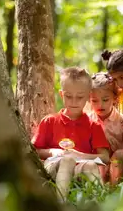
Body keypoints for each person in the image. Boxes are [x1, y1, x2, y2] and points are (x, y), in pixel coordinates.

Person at [31, 67, 110, 201]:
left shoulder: (93, 125)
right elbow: (34, 151)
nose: (74, 102)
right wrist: (54, 152)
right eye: (68, 96)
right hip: (54, 167)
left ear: (88, 97)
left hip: (79, 168)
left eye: (79, 97)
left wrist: (79, 155)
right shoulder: (50, 121)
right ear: (62, 95)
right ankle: (61, 206)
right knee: (67, 160)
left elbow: (105, 157)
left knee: (90, 165)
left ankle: (104, 208)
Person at [87, 72, 123, 186]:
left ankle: (114, 191)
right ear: (89, 99)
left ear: (114, 98)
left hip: (118, 166)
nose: (100, 105)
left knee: (121, 155)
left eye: (105, 100)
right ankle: (99, 190)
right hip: (97, 166)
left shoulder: (122, 120)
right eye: (95, 101)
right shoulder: (87, 120)